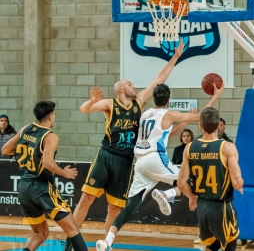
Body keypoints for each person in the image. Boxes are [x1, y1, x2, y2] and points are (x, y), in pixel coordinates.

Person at [63, 41, 185, 251]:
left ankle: (106, 245)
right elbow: (83, 110)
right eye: (129, 83)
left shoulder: (139, 101)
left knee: (114, 206)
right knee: (86, 199)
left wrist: (175, 57)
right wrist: (92, 101)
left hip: (126, 161)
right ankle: (71, 241)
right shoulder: (110, 104)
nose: (133, 85)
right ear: (120, 89)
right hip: (106, 156)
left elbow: (159, 79)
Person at [95, 83, 224, 251]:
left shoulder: (145, 114)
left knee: (131, 207)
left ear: (154, 98)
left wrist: (181, 124)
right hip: (155, 158)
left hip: (140, 163)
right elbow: (202, 116)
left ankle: (107, 241)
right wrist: (215, 96)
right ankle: (166, 194)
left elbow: (167, 134)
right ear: (168, 100)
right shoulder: (168, 114)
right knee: (186, 180)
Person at [1, 101, 88, 251]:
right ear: (50, 116)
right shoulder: (50, 136)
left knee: (41, 233)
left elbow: (6, 149)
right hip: (41, 186)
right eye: (54, 114)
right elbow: (48, 163)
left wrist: (28, 155)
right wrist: (64, 172)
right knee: (73, 229)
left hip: (24, 188)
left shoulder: (26, 128)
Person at [178, 107, 244, 251]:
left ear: (200, 126)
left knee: (215, 243)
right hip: (221, 206)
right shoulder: (227, 147)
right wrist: (239, 185)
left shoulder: (189, 148)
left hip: (202, 207)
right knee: (230, 244)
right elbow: (237, 181)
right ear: (218, 125)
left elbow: (181, 183)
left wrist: (191, 196)